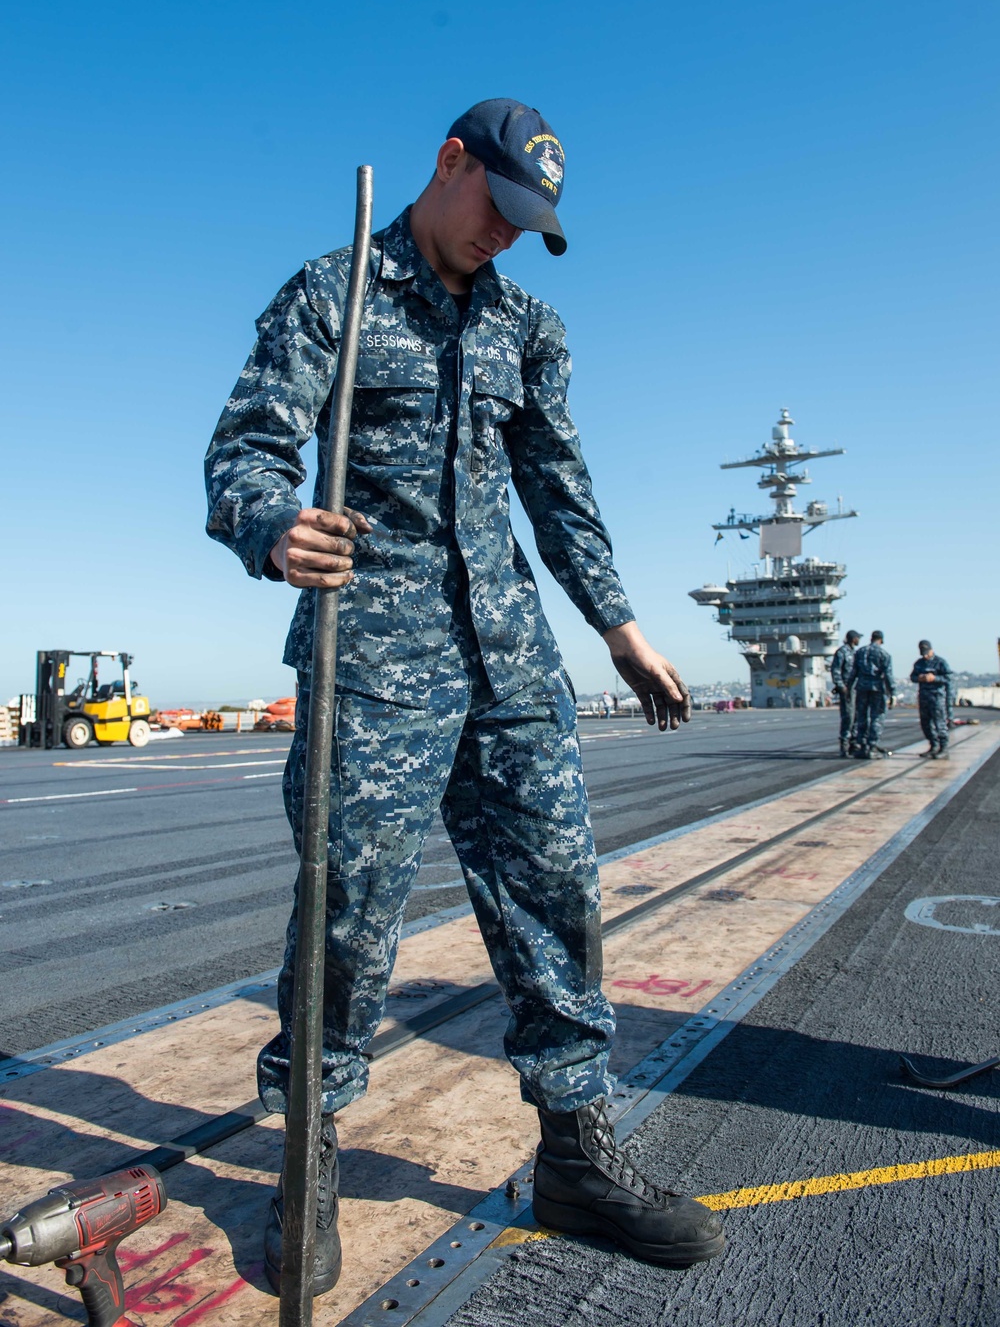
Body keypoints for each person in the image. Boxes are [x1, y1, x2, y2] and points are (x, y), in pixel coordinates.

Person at [205, 98, 724, 1294]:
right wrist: (275, 525)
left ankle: (576, 1154)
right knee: (349, 918)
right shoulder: (331, 294)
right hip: (372, 661)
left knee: (558, 902)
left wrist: (621, 628)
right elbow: (246, 447)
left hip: (511, 664)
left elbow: (560, 487)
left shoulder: (528, 327)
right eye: (498, 205)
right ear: (449, 163)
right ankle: (309, 1149)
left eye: (529, 223)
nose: (505, 234)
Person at [849, 631, 895, 759]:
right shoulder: (884, 654)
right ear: (881, 640)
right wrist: (892, 693)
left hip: (862, 688)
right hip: (877, 689)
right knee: (877, 718)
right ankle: (873, 746)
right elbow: (888, 675)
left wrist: (848, 688)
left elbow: (853, 672)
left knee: (862, 718)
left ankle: (862, 746)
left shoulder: (860, 652)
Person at [910, 640, 953, 758]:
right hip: (924, 696)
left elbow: (948, 678)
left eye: (926, 652)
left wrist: (934, 678)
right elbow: (912, 677)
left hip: (937, 696)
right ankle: (933, 745)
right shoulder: (919, 663)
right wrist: (919, 677)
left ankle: (943, 747)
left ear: (931, 650)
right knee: (925, 723)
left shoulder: (940, 662)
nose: (925, 655)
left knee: (939, 722)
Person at [830, 629, 861, 758]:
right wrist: (841, 686)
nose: (859, 640)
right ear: (853, 639)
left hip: (857, 689)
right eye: (857, 638)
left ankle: (854, 744)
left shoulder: (855, 653)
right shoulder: (842, 652)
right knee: (848, 717)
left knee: (857, 718)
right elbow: (835, 670)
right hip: (847, 690)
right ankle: (844, 746)